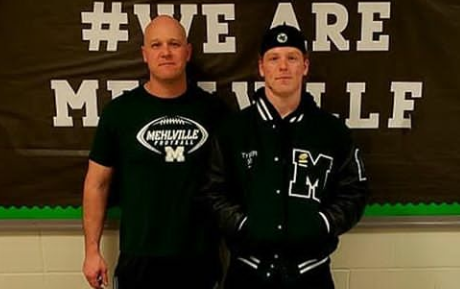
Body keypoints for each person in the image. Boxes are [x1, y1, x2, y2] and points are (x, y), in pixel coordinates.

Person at [200, 24, 369, 289]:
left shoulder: (332, 131)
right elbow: (213, 192)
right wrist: (245, 225)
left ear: (305, 66)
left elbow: (355, 192)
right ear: (261, 67)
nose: (283, 67)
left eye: (292, 58)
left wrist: (321, 223)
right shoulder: (233, 130)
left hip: (311, 275)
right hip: (247, 273)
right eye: (274, 58)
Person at [82, 15, 225, 289]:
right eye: (156, 45)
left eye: (174, 43)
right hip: (140, 259)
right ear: (144, 54)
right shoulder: (120, 113)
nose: (166, 52)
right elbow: (96, 184)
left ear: (188, 51)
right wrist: (91, 251)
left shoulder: (215, 112)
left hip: (200, 258)